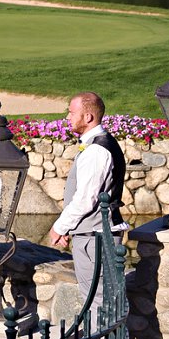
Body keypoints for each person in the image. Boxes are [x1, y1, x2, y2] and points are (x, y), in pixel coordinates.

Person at [48, 92, 126, 297]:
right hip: (93, 235)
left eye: (72, 113)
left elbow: (86, 199)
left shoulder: (96, 151)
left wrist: (59, 227)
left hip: (96, 239)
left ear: (88, 117)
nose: (67, 118)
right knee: (98, 299)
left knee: (96, 299)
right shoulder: (100, 143)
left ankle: (101, 331)